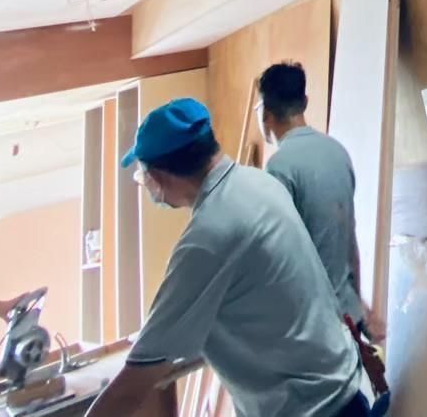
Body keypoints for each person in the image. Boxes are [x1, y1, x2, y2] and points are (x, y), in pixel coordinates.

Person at [87, 98, 367, 417]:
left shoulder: (207, 239)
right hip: (341, 389)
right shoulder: (259, 182)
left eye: (143, 177)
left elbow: (132, 388)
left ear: (160, 176)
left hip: (311, 408)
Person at [257, 63, 379, 338]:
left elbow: (279, 254)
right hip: (346, 314)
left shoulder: (280, 166)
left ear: (265, 113)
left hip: (310, 323)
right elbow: (348, 237)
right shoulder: (337, 152)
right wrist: (359, 306)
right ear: (305, 102)